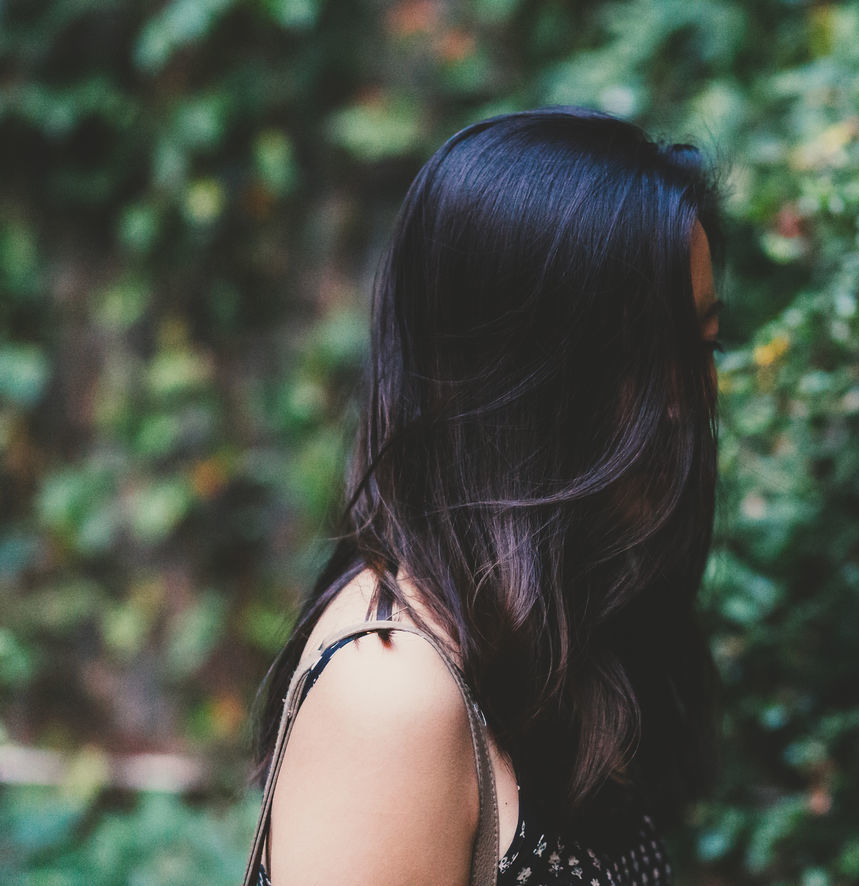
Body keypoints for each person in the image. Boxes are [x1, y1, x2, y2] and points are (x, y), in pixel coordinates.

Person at [244, 107, 727, 885]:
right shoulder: (393, 691)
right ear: (513, 376)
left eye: (703, 346)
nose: (689, 400)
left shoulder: (550, 642)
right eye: (646, 352)